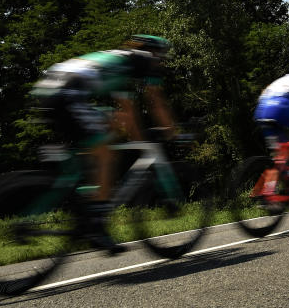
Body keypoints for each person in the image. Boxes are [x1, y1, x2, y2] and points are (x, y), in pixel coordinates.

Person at [30, 34, 178, 254]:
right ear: (154, 51)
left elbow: (127, 114)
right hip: (68, 93)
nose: (161, 62)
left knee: (106, 128)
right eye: (162, 56)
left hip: (48, 88)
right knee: (107, 153)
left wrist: (137, 140)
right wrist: (172, 132)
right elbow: (155, 102)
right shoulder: (143, 59)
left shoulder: (118, 64)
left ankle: (85, 201)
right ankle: (96, 225)